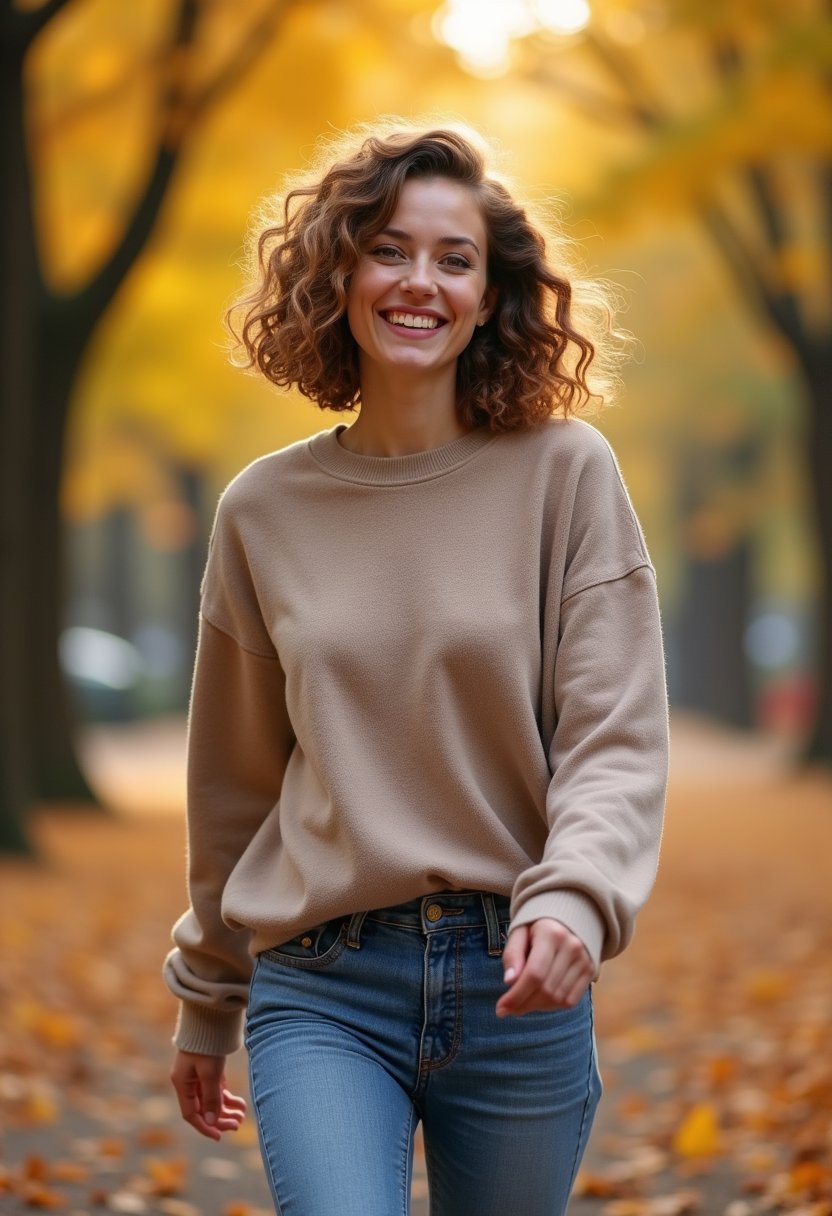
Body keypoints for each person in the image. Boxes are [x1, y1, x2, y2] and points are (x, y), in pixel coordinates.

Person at [165, 119, 668, 1216]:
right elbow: (233, 785)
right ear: (339, 272)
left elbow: (612, 735)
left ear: (490, 297)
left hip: (517, 981)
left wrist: (578, 901)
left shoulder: (565, 474)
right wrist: (209, 995)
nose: (419, 281)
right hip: (323, 982)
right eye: (389, 248)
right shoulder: (262, 509)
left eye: (455, 259)